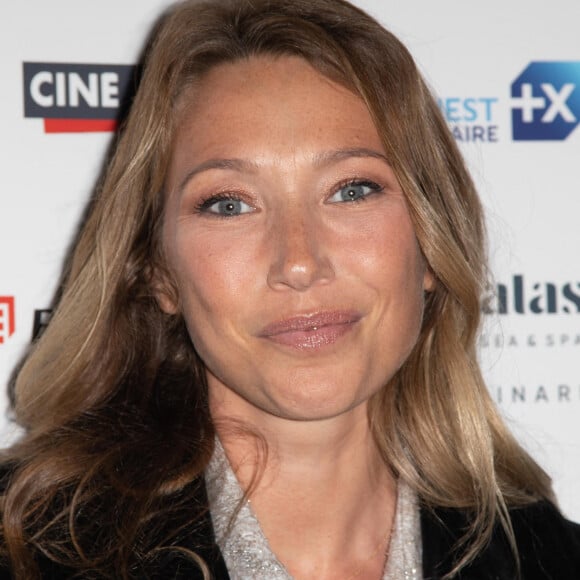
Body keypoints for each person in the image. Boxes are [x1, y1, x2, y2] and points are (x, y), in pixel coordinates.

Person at [1, 0, 579, 578]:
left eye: (351, 190)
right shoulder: (22, 551)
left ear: (431, 240)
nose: (300, 263)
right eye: (229, 204)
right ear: (158, 271)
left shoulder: (548, 559)